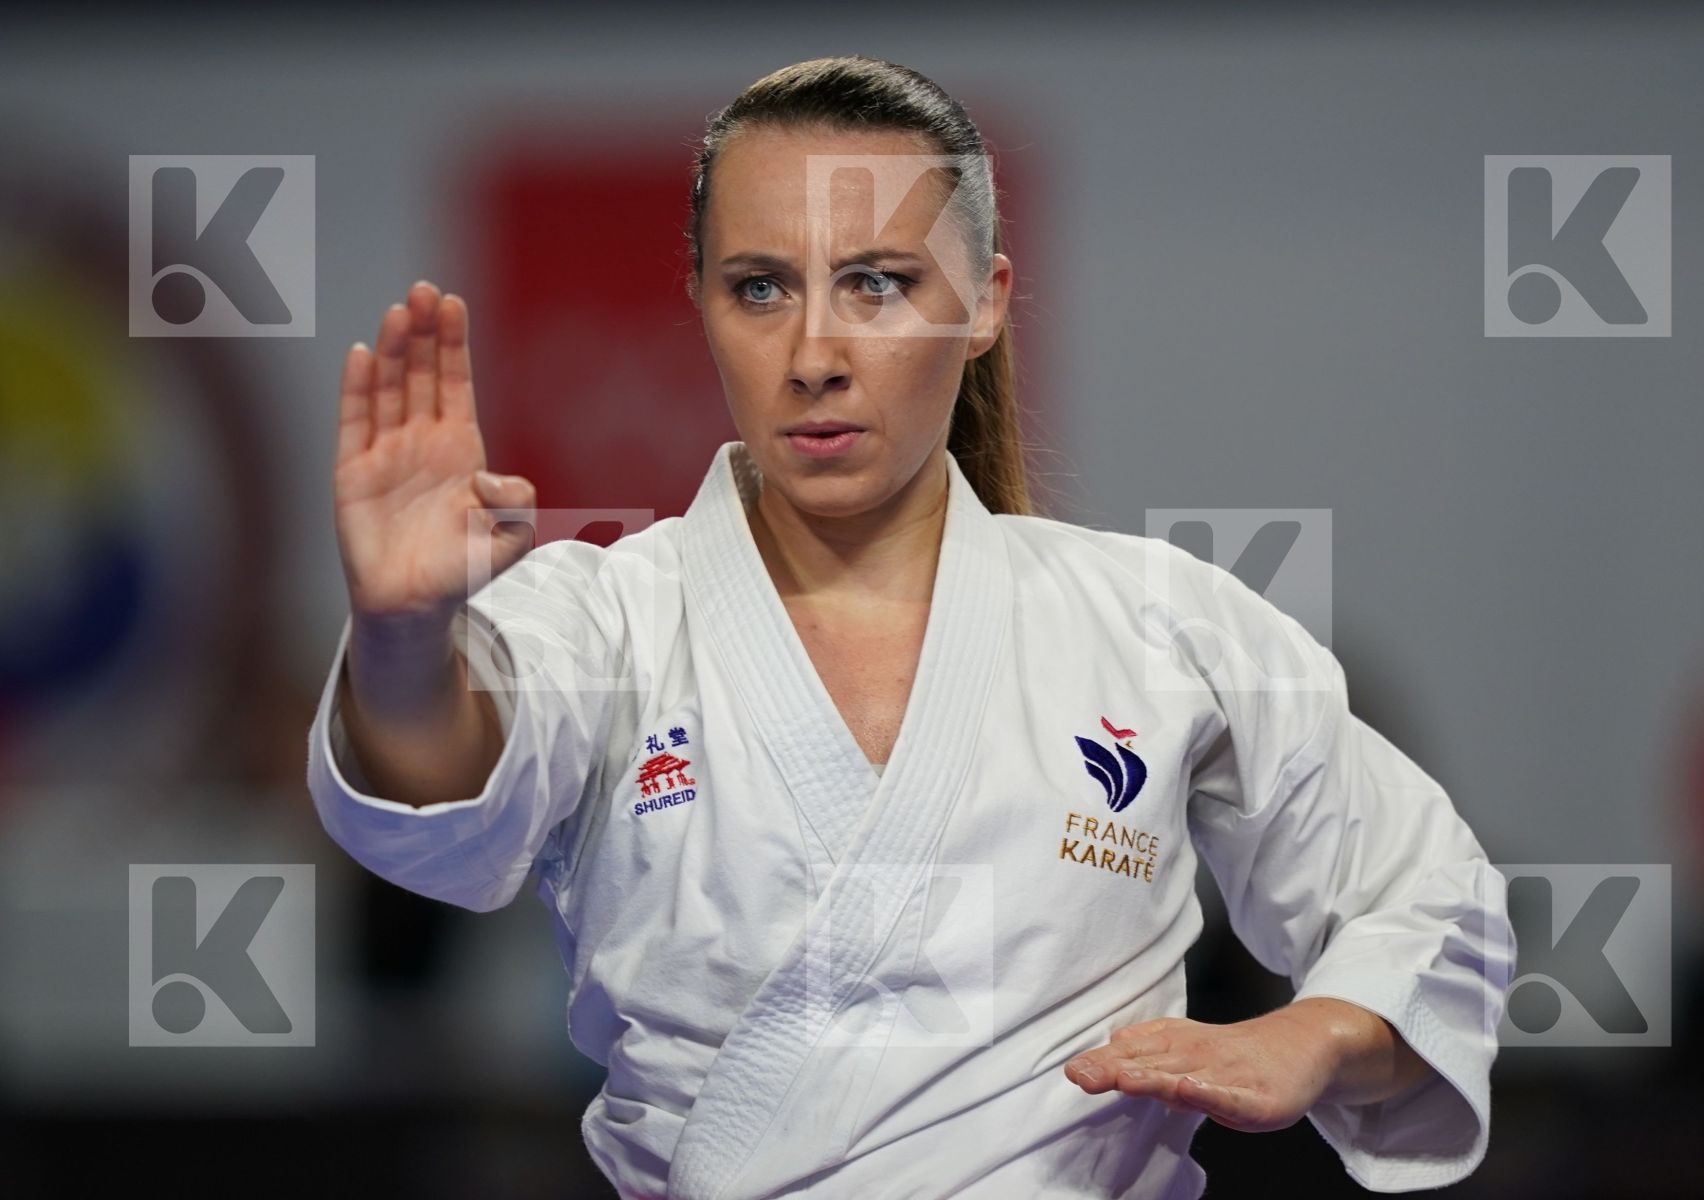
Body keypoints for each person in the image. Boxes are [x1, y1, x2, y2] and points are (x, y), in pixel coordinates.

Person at [308, 54, 1514, 1200]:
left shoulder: (1156, 623)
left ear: (983, 304)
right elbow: (436, 807)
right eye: (760, 287)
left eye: (878, 283)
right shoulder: (608, 613)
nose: (816, 355)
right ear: (702, 304)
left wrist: (1319, 1032)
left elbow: (1422, 890)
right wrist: (404, 632)